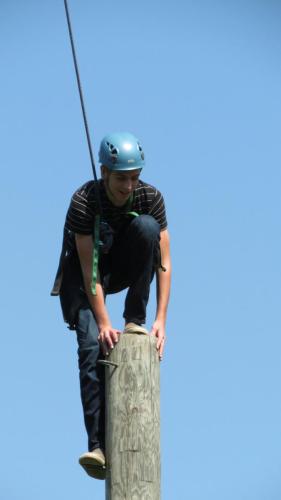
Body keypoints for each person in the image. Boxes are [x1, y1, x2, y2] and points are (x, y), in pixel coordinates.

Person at [51, 131, 171, 479]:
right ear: (104, 172)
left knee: (147, 228)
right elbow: (90, 270)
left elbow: (164, 259)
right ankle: (98, 444)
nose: (129, 186)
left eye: (134, 177)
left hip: (121, 262)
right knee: (91, 344)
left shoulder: (150, 197)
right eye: (121, 178)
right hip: (84, 275)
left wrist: (160, 319)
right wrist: (103, 323)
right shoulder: (84, 202)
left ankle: (135, 316)